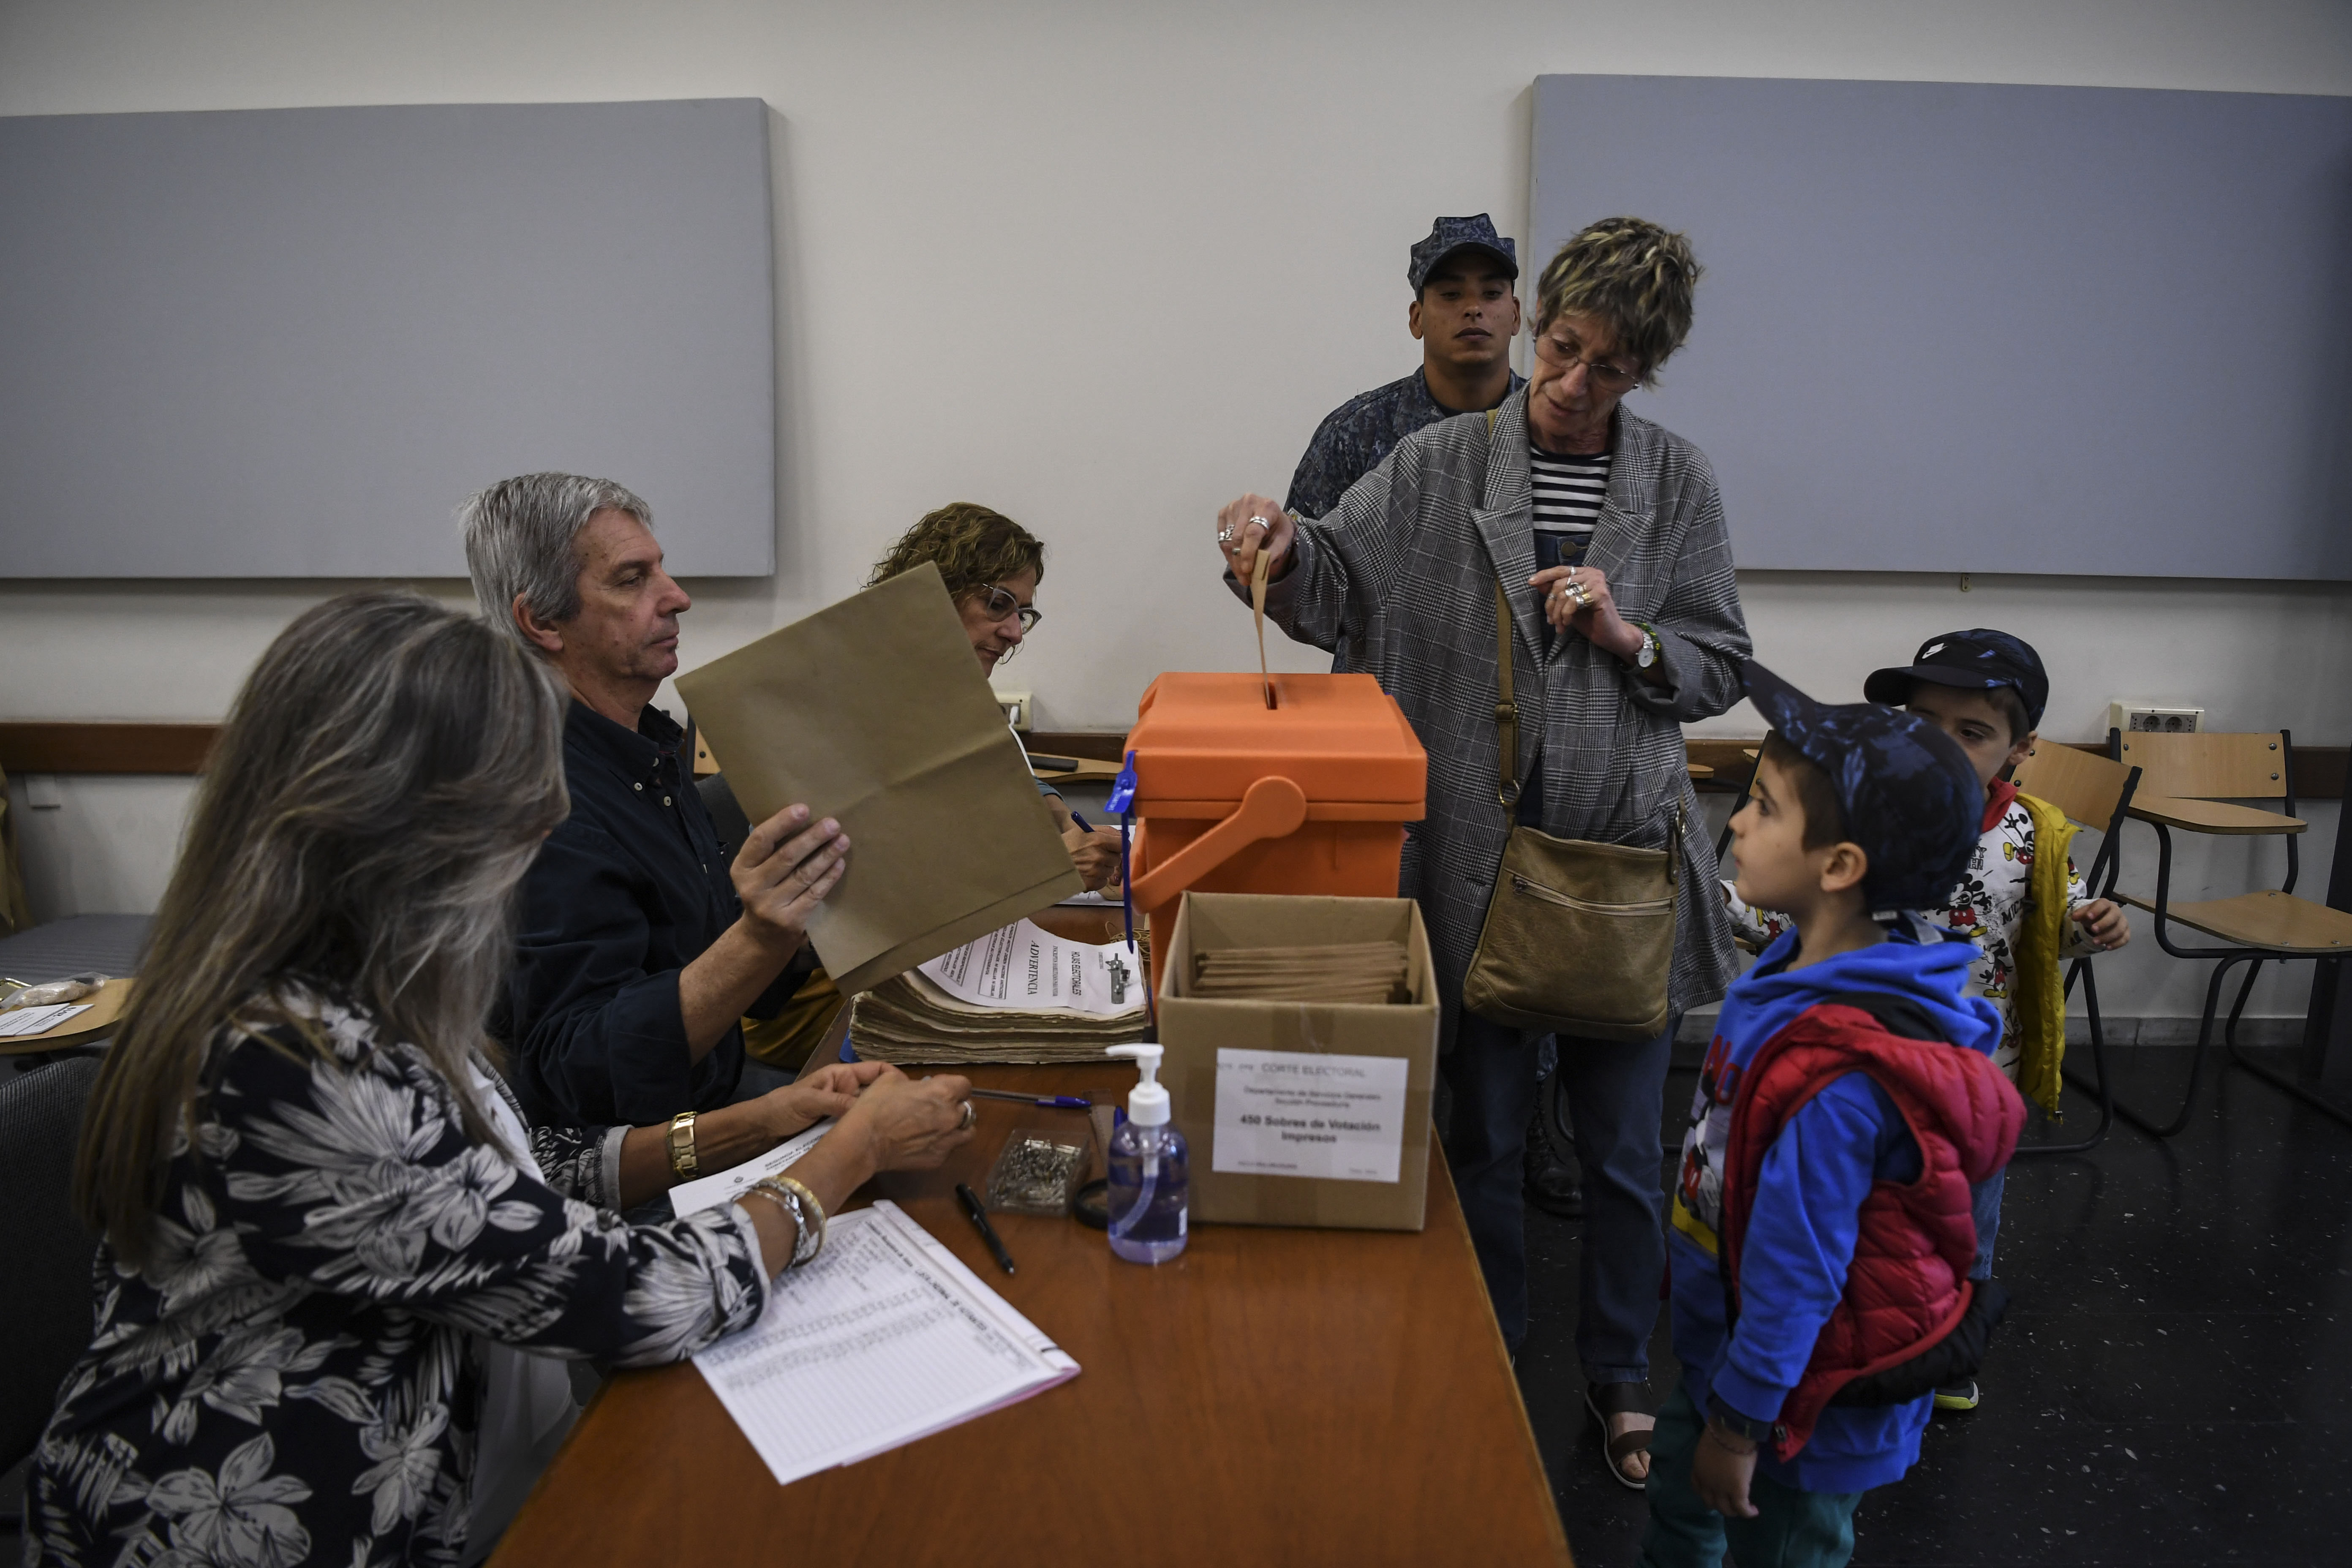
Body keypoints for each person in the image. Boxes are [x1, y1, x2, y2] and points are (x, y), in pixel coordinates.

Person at [26, 590, 974, 1568]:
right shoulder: (291, 1065)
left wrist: (766, 1120)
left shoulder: (354, 977)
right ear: (399, 815)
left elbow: (513, 1175)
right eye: (521, 790)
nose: (550, 815)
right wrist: (848, 1156)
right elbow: (644, 1295)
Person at [1217, 215, 1750, 1486]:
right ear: (1536, 323)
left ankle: (1620, 1369)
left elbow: (1717, 662)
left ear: (1646, 372)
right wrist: (1282, 549)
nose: (1570, 388)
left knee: (1627, 1156)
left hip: (1618, 866)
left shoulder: (1677, 483)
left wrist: (1628, 635)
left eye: (1608, 371)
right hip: (1471, 858)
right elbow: (1334, 581)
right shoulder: (1443, 458)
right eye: (1561, 350)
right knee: (1486, 1136)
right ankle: (1492, 1345)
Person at [1646, 664, 2020, 1568]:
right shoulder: (1795, 971)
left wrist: (1739, 1424)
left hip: (1797, 1403)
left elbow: (1799, 1270)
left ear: (1841, 866)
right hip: (1732, 1353)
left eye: (1766, 807)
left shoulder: (1841, 1077)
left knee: (1783, 1545)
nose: (1736, 820)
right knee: (1676, 1508)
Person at [463, 474, 848, 1127]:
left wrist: (820, 890)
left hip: (708, 1101)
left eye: (661, 569)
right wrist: (760, 937)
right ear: (543, 620)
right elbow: (579, 1078)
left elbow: (732, 969)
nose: (678, 597)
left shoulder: (644, 749)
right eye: (631, 578)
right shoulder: (539, 803)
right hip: (635, 1167)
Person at [1283, 213, 1527, 673]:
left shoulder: (1550, 430)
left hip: (1516, 694)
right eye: (1451, 295)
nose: (1473, 308)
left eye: (1492, 294)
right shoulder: (1356, 432)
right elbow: (1308, 587)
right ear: (1416, 319)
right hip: (1386, 690)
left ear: (1516, 316)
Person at [869, 501, 1121, 889]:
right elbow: (887, 874)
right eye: (998, 604)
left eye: (1021, 613)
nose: (1015, 633)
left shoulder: (953, 692)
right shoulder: (859, 702)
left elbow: (1010, 775)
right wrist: (1051, 867)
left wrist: (1062, 818)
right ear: (936, 590)